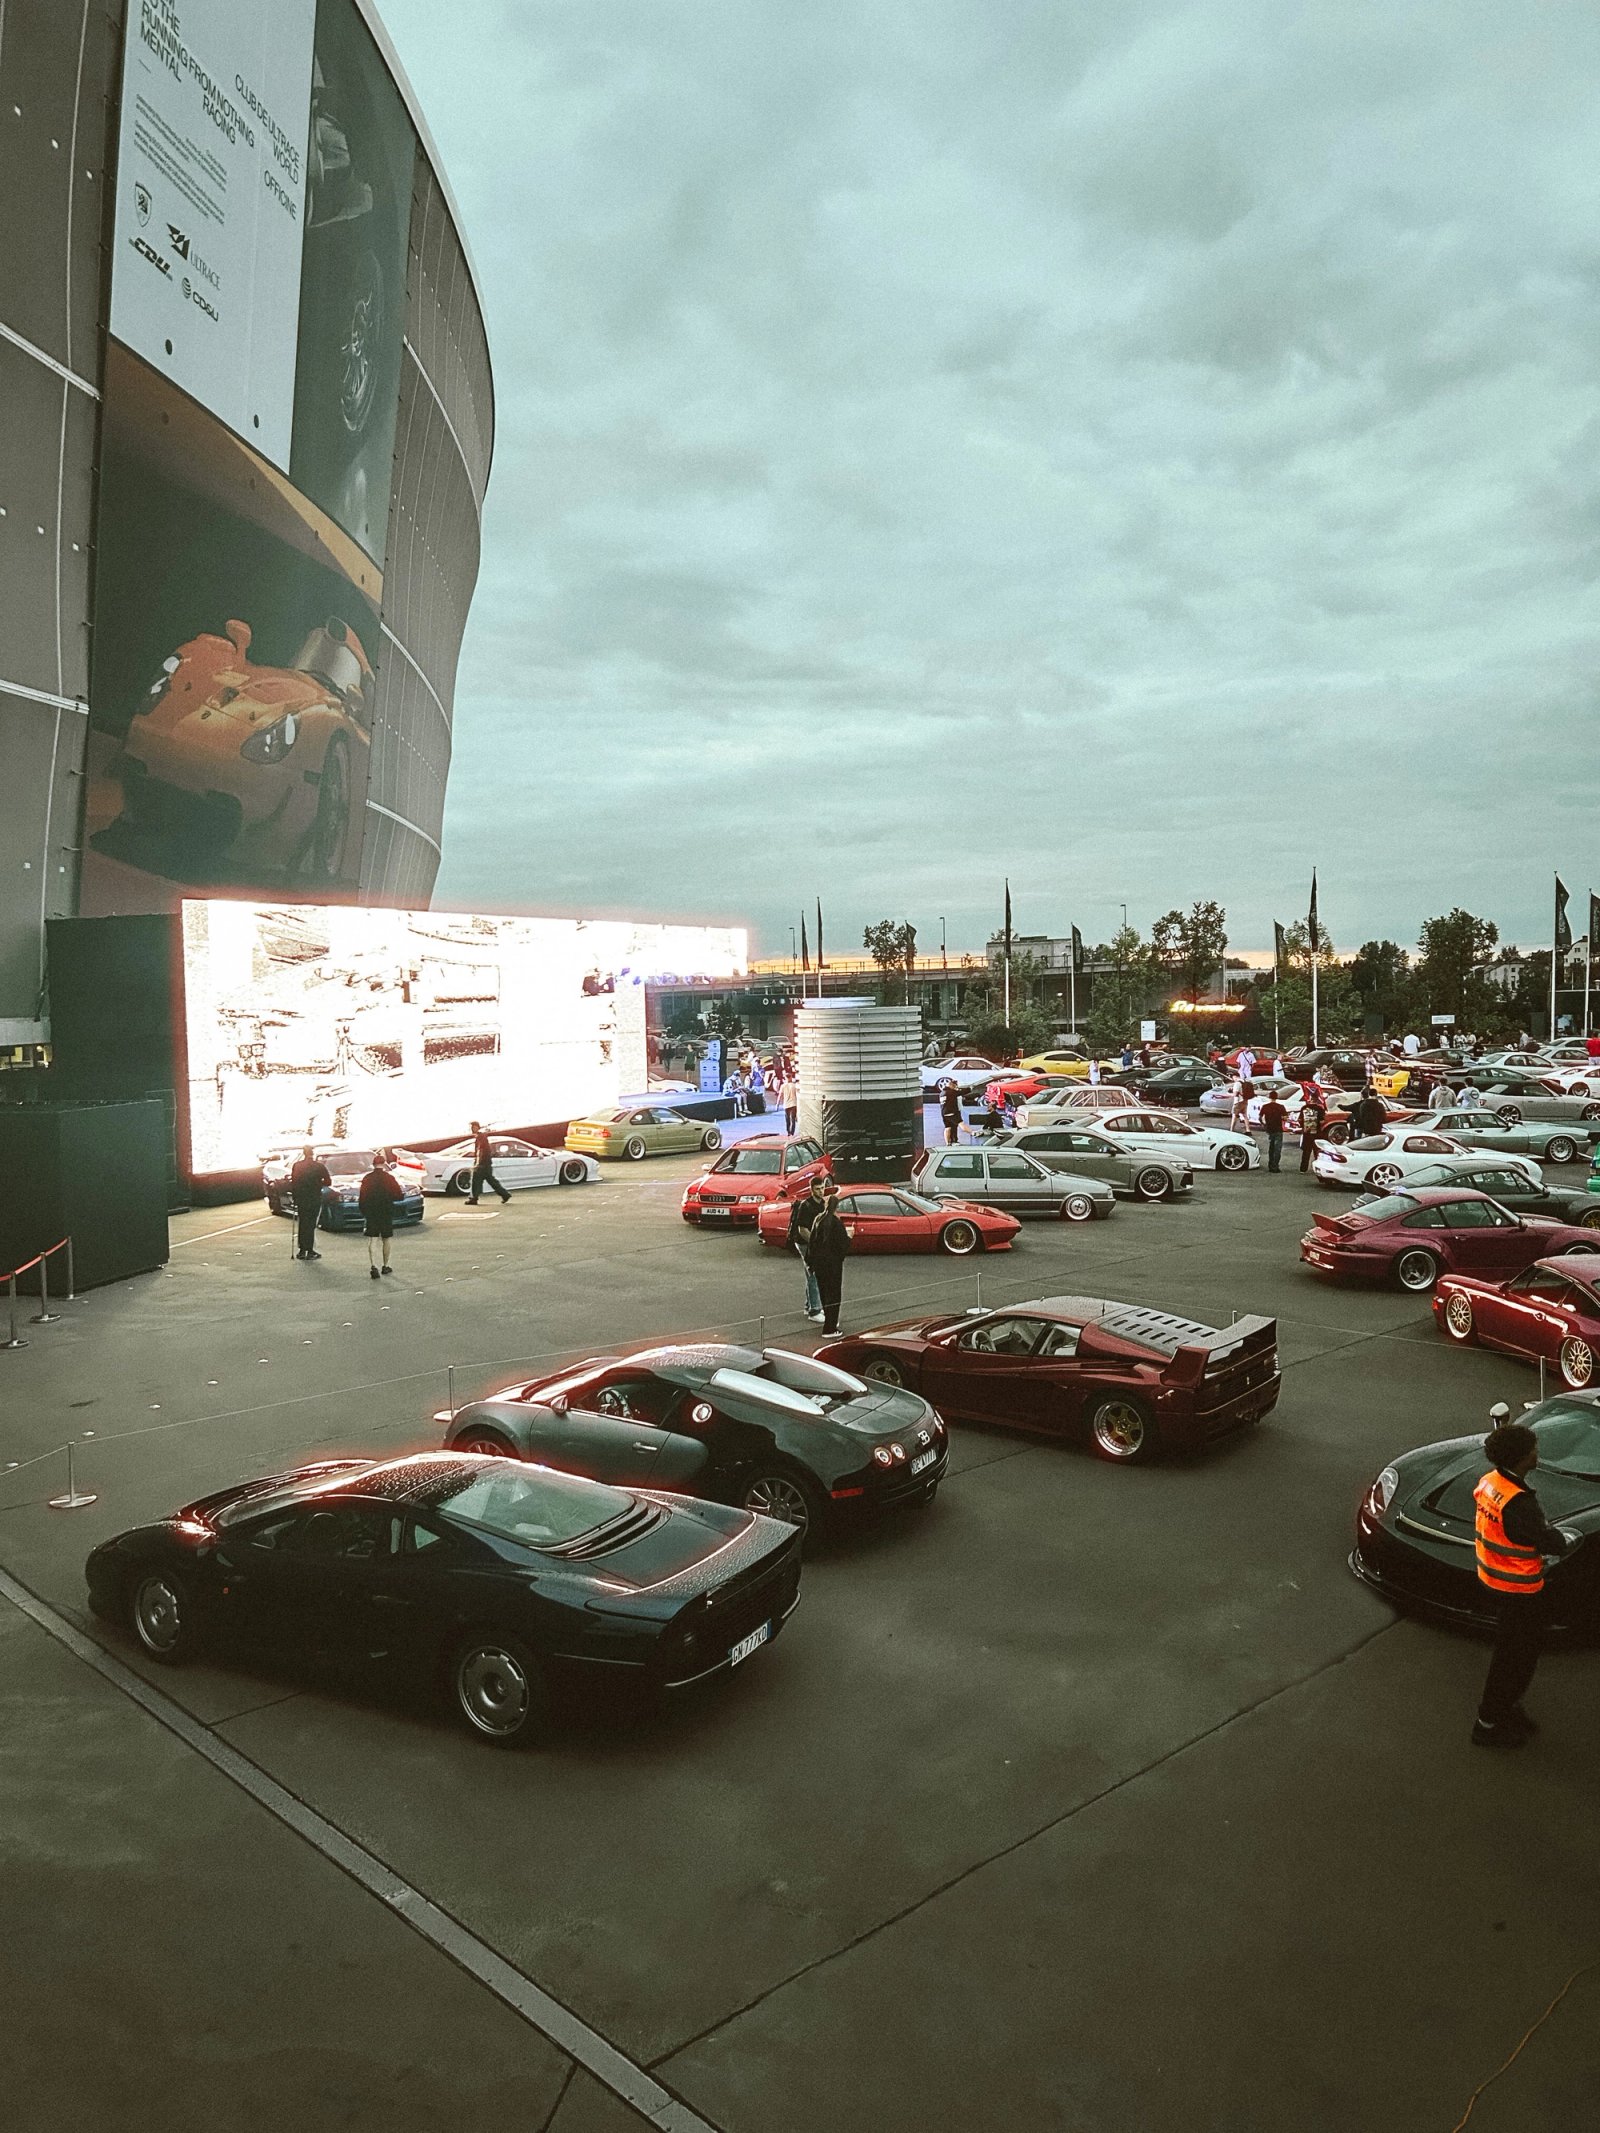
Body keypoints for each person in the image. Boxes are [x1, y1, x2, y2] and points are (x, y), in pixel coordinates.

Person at [1471, 1411, 1575, 1747]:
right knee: (1515, 1659)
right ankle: (1488, 1724)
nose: (1536, 1452)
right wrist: (1563, 1539)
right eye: (1532, 1448)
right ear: (1521, 1457)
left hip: (1494, 1580)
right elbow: (1549, 1541)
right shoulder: (1520, 1504)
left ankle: (1506, 1709)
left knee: (1513, 1656)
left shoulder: (1492, 1482)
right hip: (1520, 1591)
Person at [805, 1185, 852, 1335]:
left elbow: (812, 1243)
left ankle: (829, 1321)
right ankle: (830, 1327)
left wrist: (810, 1263)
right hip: (833, 1266)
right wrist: (850, 1236)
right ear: (837, 1207)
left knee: (824, 1293)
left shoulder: (818, 1219)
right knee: (834, 1295)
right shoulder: (836, 1223)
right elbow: (842, 1246)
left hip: (819, 1265)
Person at [787, 1175, 828, 1321]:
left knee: (811, 1274)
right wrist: (815, 1244)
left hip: (812, 1243)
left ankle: (809, 1305)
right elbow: (802, 1230)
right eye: (817, 1189)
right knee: (814, 1275)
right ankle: (814, 1311)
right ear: (811, 1190)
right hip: (804, 1243)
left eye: (822, 1188)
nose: (821, 1191)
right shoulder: (806, 1206)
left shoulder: (822, 1204)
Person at [359, 1152, 404, 1280]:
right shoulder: (389, 1178)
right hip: (386, 1211)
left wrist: (364, 1211)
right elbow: (398, 1195)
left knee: (373, 1239)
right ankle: (386, 1265)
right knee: (386, 1239)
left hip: (371, 1212)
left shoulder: (367, 1178)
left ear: (373, 1164)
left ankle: (373, 1266)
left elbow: (362, 1197)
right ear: (383, 1164)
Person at [289, 1145, 331, 1260]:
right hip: (314, 1198)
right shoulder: (319, 1166)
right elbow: (328, 1182)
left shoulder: (297, 1166)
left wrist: (295, 1198)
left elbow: (294, 1183)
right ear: (312, 1153)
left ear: (304, 1153)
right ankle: (310, 1250)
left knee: (303, 1223)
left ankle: (302, 1250)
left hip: (301, 1199)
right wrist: (318, 1184)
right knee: (311, 1224)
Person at [466, 1120, 510, 1205]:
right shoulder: (481, 1136)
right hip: (485, 1163)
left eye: (472, 1127)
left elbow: (481, 1150)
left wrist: (478, 1163)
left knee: (476, 1180)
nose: (471, 1129)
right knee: (490, 1180)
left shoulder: (480, 1137)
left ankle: (474, 1198)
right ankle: (505, 1194)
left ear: (476, 1127)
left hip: (482, 1163)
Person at [1259, 1092, 1289, 1172]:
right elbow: (1285, 1118)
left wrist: (1264, 1125)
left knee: (1271, 1147)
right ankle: (1275, 1166)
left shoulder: (1265, 1106)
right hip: (1278, 1129)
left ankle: (1270, 1165)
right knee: (1277, 1149)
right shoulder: (1281, 1107)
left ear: (1269, 1097)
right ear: (1276, 1097)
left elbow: (1260, 1117)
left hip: (1269, 1129)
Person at [1298, 1090, 1326, 1171]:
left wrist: (1303, 1126)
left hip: (1306, 1133)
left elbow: (1299, 1120)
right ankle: (1318, 1168)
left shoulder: (1304, 1108)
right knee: (1317, 1151)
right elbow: (1322, 1121)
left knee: (1306, 1152)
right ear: (1317, 1100)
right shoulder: (1320, 1109)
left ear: (1310, 1099)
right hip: (1317, 1133)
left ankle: (1303, 1169)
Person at [939, 1079, 963, 1146]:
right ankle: (954, 1140)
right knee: (955, 1126)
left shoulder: (943, 1093)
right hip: (953, 1111)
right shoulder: (952, 1092)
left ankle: (948, 1142)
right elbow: (961, 1094)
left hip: (945, 1112)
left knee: (948, 1127)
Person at [780, 1071, 798, 1135]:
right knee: (793, 1119)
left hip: (786, 1104)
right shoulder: (794, 1086)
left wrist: (777, 1103)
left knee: (787, 1119)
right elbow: (797, 1095)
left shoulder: (783, 1086)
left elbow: (780, 1095)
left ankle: (788, 1131)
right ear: (791, 1077)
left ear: (785, 1078)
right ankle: (792, 1132)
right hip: (793, 1104)